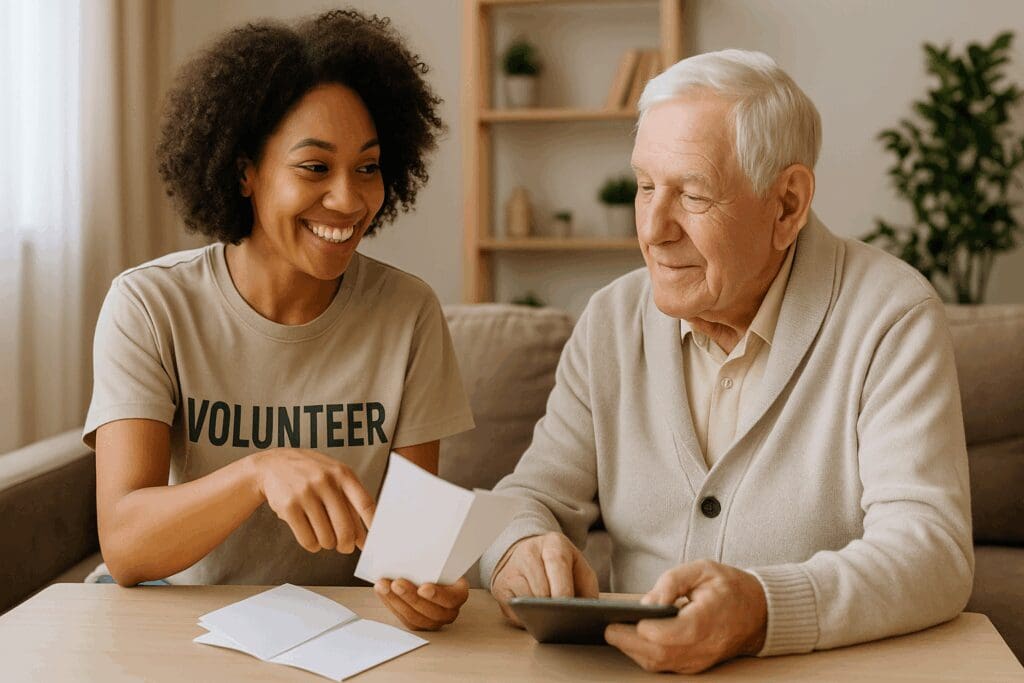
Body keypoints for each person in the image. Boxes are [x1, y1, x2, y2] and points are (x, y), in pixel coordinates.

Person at [480, 49, 973, 672]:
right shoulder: (611, 319)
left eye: (692, 195)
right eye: (645, 186)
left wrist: (762, 610)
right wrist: (516, 543)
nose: (653, 229)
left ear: (787, 205)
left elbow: (932, 554)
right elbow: (530, 495)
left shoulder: (891, 316)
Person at [83, 9, 475, 631]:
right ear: (245, 173)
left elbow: (411, 549)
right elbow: (126, 547)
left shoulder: (408, 313)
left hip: (339, 635)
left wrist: (426, 588)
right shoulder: (149, 305)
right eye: (314, 167)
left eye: (368, 167)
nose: (348, 200)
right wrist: (259, 472)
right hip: (181, 627)